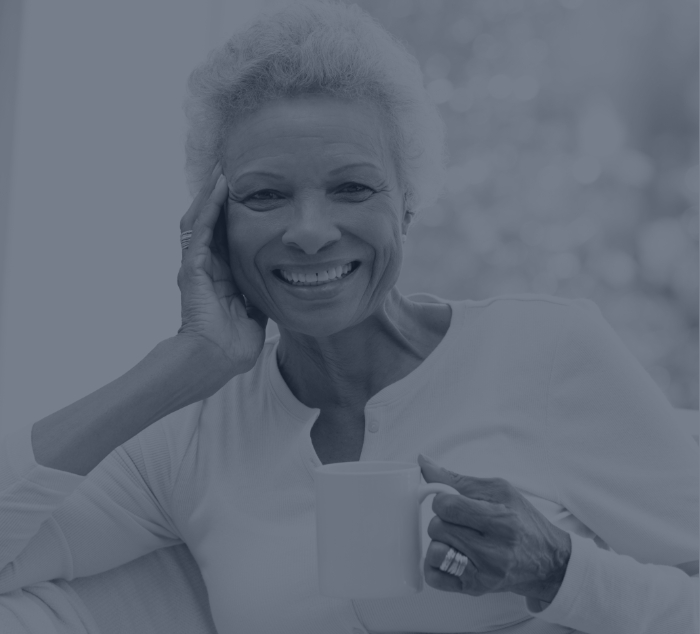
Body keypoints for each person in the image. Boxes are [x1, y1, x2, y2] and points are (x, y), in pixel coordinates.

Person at [0, 1, 697, 633]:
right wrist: (181, 362)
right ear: (213, 225)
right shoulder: (196, 429)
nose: (310, 231)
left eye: (352, 187)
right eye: (266, 195)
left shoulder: (544, 351)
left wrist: (561, 572)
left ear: (408, 203)